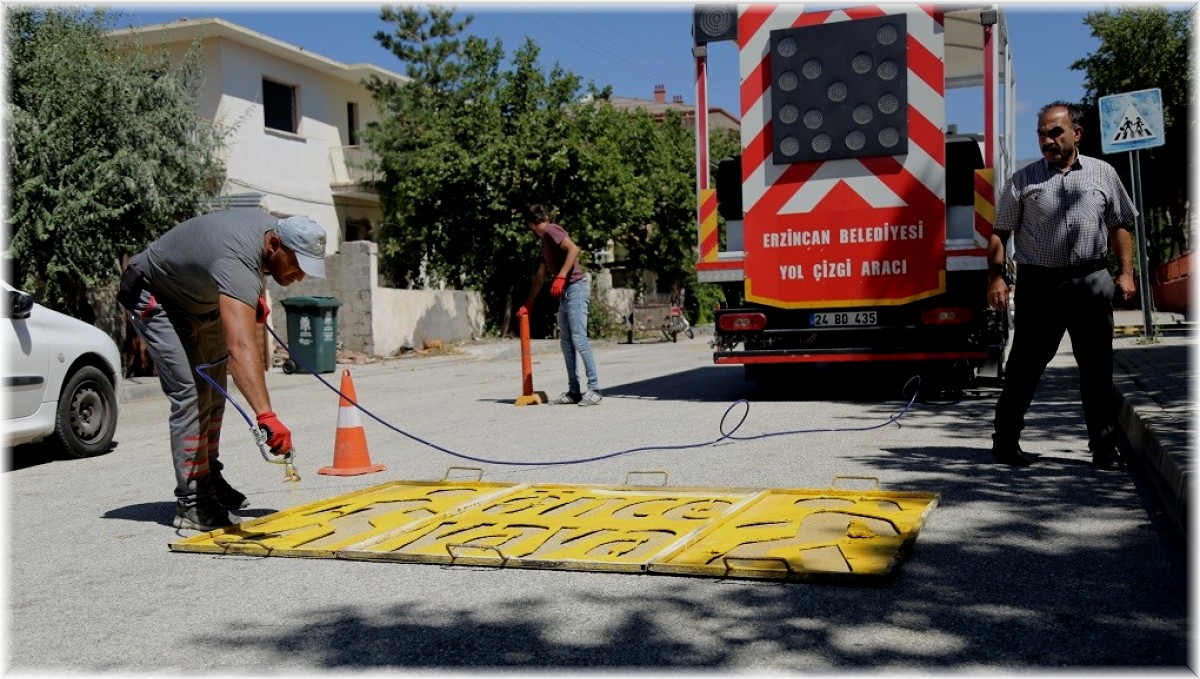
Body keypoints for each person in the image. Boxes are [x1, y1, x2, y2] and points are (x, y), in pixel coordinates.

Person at [118, 209, 329, 530]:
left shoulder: (268, 234)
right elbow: (241, 348)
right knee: (190, 392)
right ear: (274, 246)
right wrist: (265, 415)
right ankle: (192, 501)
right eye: (298, 264)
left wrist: (251, 294)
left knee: (215, 385)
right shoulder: (238, 257)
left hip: (197, 300)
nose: (300, 276)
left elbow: (232, 265)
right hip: (155, 296)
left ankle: (208, 477)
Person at [986, 101, 1137, 471]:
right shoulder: (1022, 181)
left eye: (1055, 132)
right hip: (1040, 284)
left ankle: (1104, 448)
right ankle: (1005, 442)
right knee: (1024, 366)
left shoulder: (1103, 174)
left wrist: (1126, 273)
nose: (1047, 140)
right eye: (1042, 134)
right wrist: (996, 278)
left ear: (1076, 133)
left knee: (1097, 369)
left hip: (1091, 280)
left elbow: (1120, 225)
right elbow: (999, 233)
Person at [516, 204, 602, 406]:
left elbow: (573, 248)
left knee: (579, 339)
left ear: (530, 225)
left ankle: (595, 389)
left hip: (576, 289)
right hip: (566, 292)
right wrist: (529, 303)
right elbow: (540, 275)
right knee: (566, 343)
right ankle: (574, 392)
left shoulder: (550, 230)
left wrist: (561, 276)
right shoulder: (544, 242)